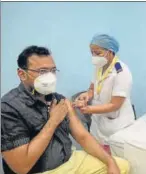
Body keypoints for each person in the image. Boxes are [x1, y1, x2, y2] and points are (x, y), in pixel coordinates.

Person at [1, 46, 130, 174]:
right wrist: (53, 121)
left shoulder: (59, 100)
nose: (50, 76)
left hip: (70, 161)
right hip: (42, 171)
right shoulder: (9, 108)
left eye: (52, 70)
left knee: (122, 166)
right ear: (22, 74)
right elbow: (21, 167)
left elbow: (82, 136)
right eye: (42, 71)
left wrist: (110, 161)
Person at [74, 34, 135, 146]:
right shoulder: (99, 67)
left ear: (110, 52)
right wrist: (87, 95)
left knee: (116, 159)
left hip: (117, 125)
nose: (94, 56)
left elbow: (115, 105)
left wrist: (89, 109)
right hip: (98, 123)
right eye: (92, 52)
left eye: (98, 53)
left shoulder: (121, 72)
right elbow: (92, 88)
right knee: (98, 155)